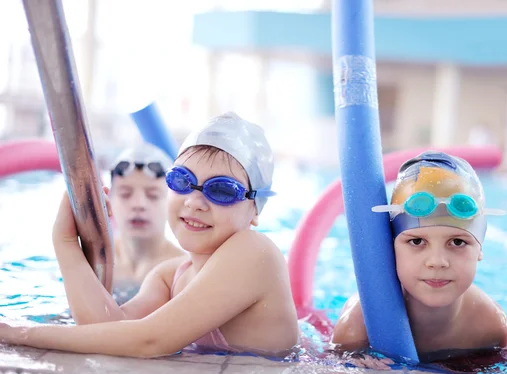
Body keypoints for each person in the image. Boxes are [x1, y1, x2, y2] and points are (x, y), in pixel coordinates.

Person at [0, 112, 299, 358]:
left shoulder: (254, 251)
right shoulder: (170, 275)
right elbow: (107, 331)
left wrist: (21, 334)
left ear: (255, 210)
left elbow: (149, 341)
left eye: (221, 190)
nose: (194, 201)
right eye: (183, 181)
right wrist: (65, 244)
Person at [332, 151, 507, 362]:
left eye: (457, 242)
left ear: (480, 248)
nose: (437, 261)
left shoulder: (489, 327)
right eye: (417, 242)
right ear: (391, 248)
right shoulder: (359, 326)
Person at [108, 143, 184, 284]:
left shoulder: (183, 269)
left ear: (173, 203)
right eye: (125, 194)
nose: (138, 204)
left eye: (153, 195)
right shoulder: (94, 261)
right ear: (108, 199)